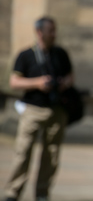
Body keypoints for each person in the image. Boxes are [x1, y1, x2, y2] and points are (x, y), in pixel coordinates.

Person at [4, 17, 74, 201]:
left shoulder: (60, 54)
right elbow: (14, 82)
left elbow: (70, 76)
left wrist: (62, 84)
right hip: (32, 110)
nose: (54, 34)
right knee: (23, 151)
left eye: (55, 30)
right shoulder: (26, 55)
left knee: (51, 155)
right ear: (39, 32)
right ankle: (12, 192)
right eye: (51, 30)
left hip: (56, 110)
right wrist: (37, 83)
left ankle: (42, 194)